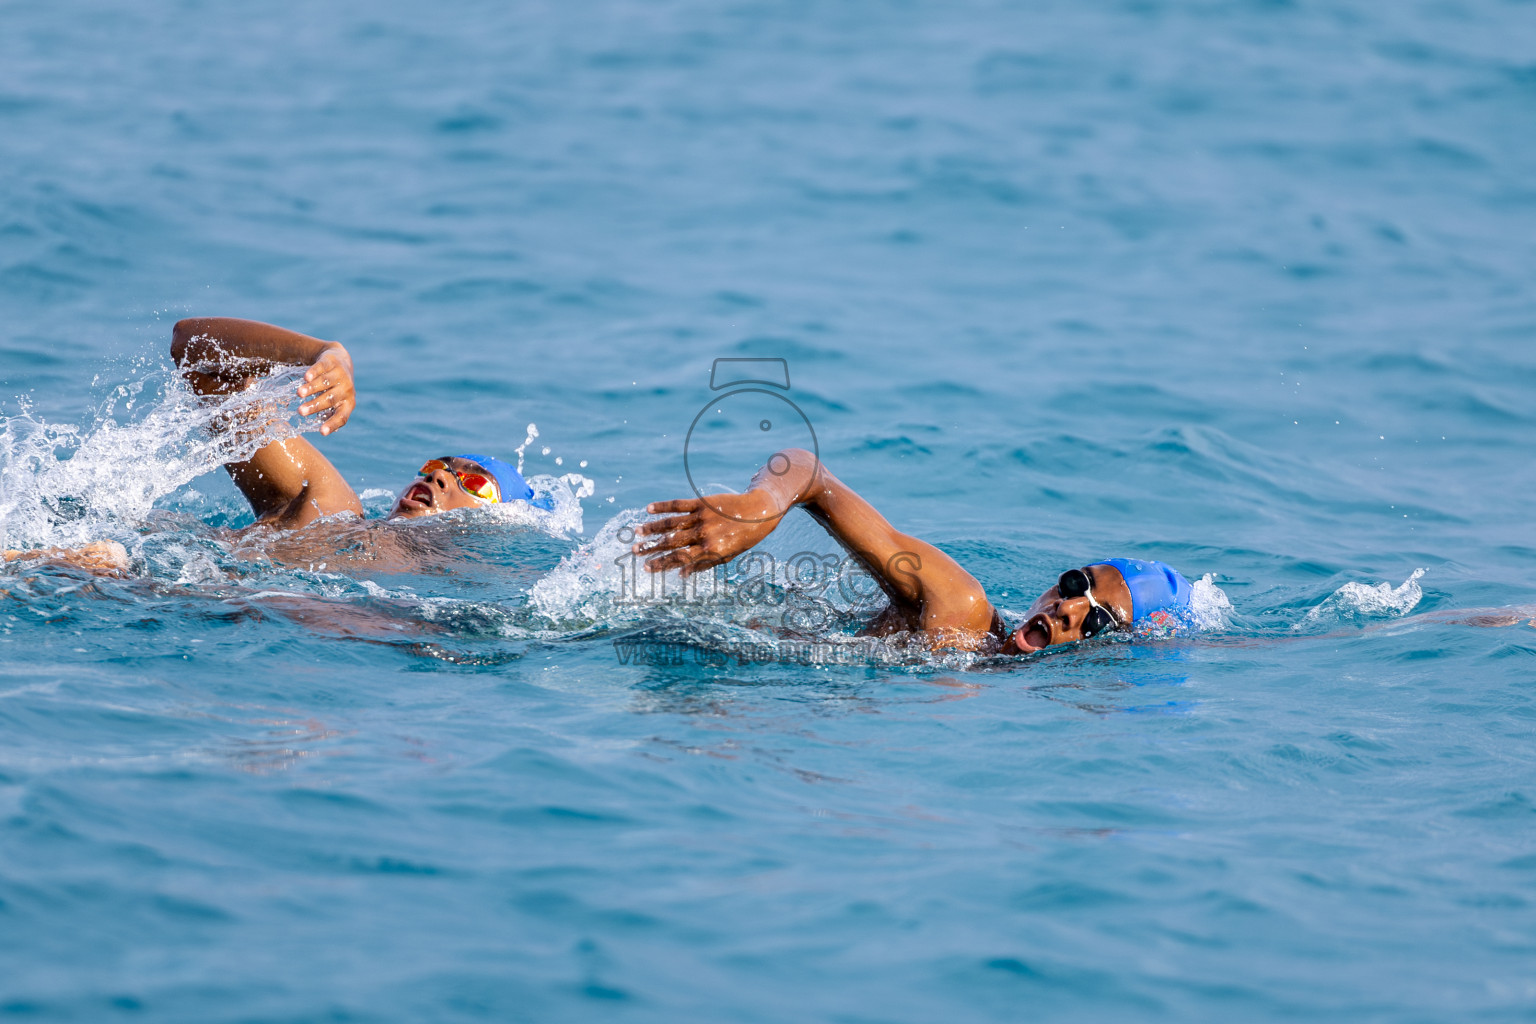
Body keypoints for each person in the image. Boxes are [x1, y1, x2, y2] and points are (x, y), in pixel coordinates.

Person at [632, 447, 1193, 653]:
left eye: (1095, 621)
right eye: (1076, 585)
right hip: (655, 626)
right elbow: (807, 472)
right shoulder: (961, 608)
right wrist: (761, 506)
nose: (1069, 609)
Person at [170, 317, 540, 528]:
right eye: (436, 467)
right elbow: (193, 351)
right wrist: (324, 353)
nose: (437, 477)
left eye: (474, 481)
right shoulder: (325, 508)